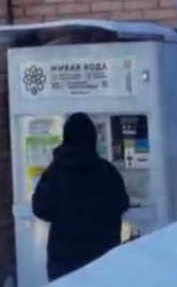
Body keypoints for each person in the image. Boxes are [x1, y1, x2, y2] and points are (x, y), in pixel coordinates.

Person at [31, 112, 130, 282]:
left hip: (64, 263)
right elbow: (122, 203)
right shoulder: (107, 172)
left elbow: (40, 208)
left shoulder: (55, 172)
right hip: (103, 259)